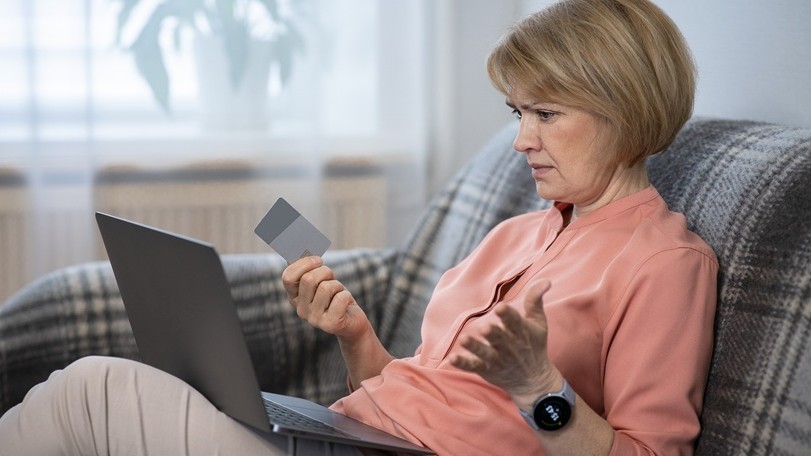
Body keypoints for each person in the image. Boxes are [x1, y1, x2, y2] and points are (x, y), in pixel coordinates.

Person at [0, 0, 717, 454]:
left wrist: (540, 389)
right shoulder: (516, 235)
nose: (521, 140)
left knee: (92, 391)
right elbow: (427, 397)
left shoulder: (663, 263)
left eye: (546, 114)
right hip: (355, 436)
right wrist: (356, 337)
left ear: (625, 109)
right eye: (517, 113)